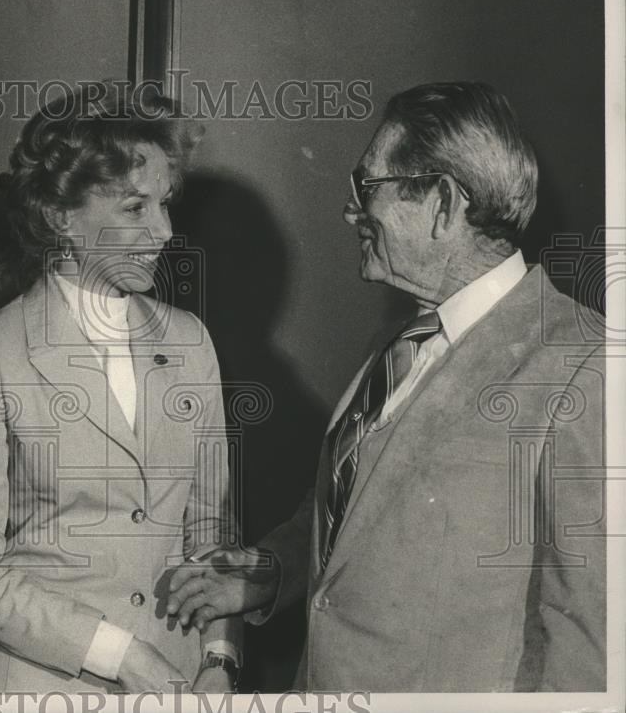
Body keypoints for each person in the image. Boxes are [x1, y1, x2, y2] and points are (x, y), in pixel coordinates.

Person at [165, 82, 606, 692]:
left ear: (443, 203)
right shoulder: (396, 345)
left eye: (366, 187)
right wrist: (277, 568)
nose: (350, 211)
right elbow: (365, 518)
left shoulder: (586, 364)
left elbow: (592, 643)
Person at [0, 86, 243, 693]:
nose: (164, 230)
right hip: (40, 688)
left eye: (166, 204)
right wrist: (119, 654)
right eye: (134, 209)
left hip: (180, 685)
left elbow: (211, 529)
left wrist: (220, 656)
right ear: (59, 216)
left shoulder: (188, 341)